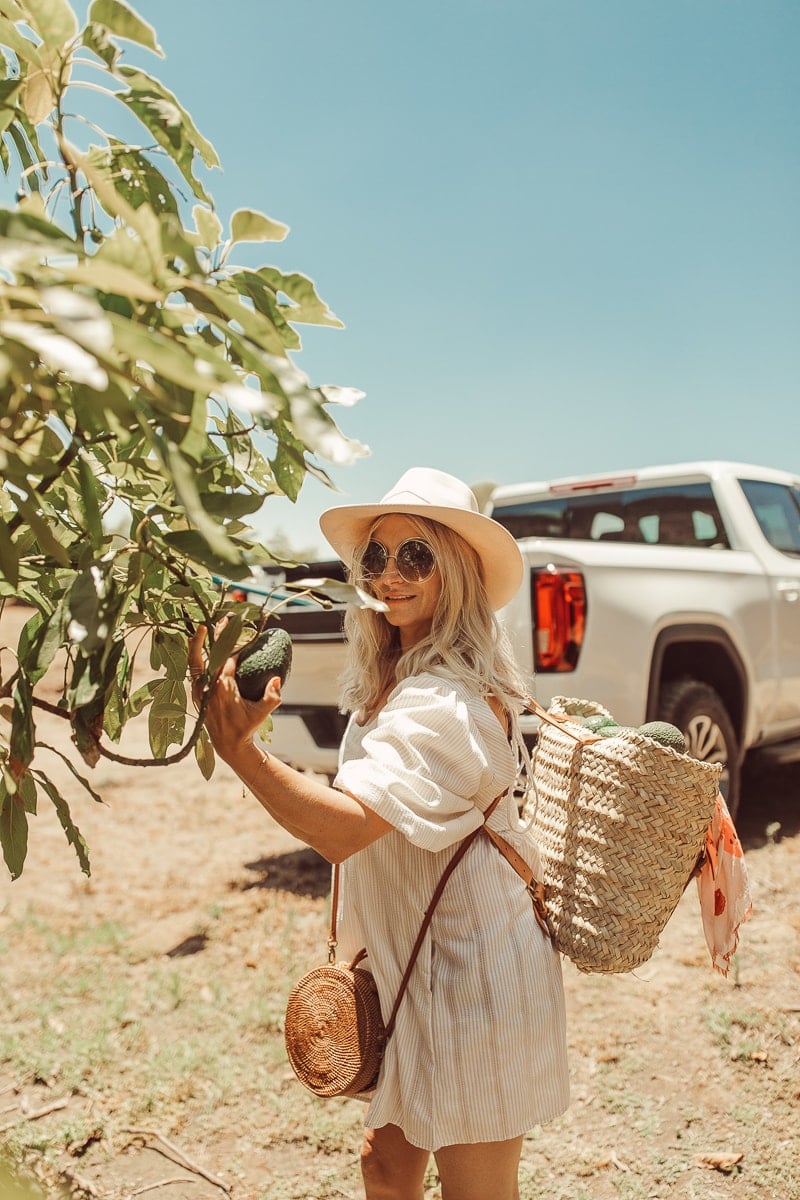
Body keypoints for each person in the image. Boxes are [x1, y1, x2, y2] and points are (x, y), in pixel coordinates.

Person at [189, 467, 570, 1200]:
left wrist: (243, 752)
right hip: (418, 970)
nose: (390, 574)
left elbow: (342, 831)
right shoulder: (394, 680)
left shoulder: (444, 701)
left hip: (474, 979)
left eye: (416, 556)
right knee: (386, 1166)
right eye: (375, 557)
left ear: (455, 572)